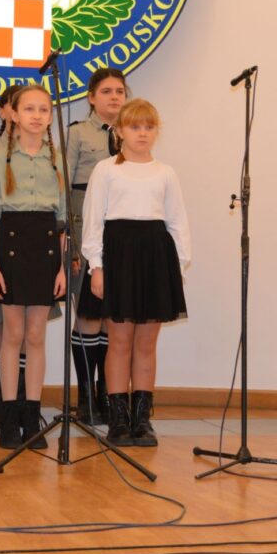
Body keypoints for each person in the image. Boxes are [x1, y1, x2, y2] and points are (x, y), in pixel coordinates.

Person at [81, 99, 189, 446]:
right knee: (120, 341)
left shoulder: (165, 172)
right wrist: (96, 267)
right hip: (118, 256)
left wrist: (178, 266)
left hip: (155, 256)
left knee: (146, 344)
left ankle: (142, 419)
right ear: (119, 131)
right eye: (134, 127)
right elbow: (94, 220)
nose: (142, 133)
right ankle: (118, 420)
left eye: (148, 127)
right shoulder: (107, 170)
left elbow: (177, 221)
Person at [0, 84, 66, 449]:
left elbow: (61, 218)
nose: (36, 116)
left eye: (43, 110)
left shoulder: (56, 157)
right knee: (12, 335)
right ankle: (9, 417)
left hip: (45, 246)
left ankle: (33, 415)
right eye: (28, 109)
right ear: (13, 113)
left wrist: (61, 268)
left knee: (37, 336)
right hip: (11, 245)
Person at [66, 68, 127, 424]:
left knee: (111, 316)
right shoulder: (77, 133)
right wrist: (73, 245)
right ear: (91, 97)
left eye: (120, 91)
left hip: (119, 233)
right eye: (106, 91)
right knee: (88, 312)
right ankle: (85, 395)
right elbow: (65, 185)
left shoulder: (130, 133)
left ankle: (108, 391)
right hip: (84, 231)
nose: (114, 97)